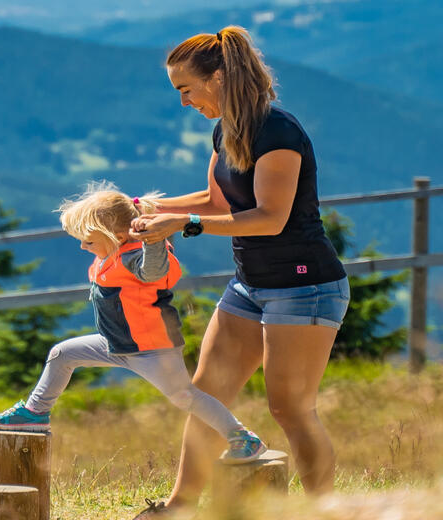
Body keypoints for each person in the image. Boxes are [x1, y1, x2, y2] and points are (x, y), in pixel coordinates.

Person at [127, 25, 350, 518]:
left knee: (289, 409)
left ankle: (324, 512)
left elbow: (270, 217)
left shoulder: (279, 132)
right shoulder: (225, 128)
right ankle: (177, 507)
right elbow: (215, 200)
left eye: (186, 90)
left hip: (304, 285)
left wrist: (182, 224)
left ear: (219, 77)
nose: (184, 102)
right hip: (250, 285)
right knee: (206, 394)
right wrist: (142, 206)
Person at [0, 181, 268, 467]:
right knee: (63, 354)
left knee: (185, 396)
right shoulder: (110, 254)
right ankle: (35, 413)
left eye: (88, 240)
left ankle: (242, 437)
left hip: (151, 350)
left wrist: (153, 240)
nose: (83, 246)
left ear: (118, 235)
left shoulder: (136, 257)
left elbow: (155, 272)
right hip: (116, 344)